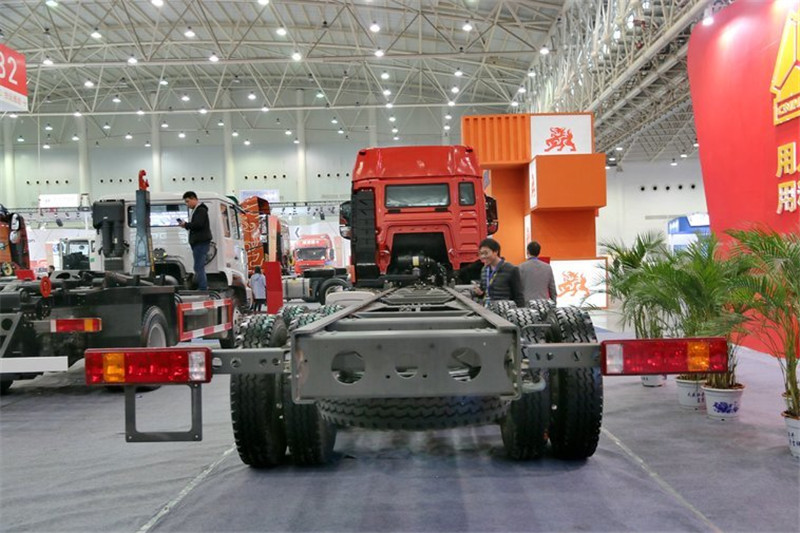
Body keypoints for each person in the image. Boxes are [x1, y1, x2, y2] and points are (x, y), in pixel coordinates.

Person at [472, 238, 524, 307]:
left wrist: (519, 311)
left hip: (505, 310)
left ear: (495, 252)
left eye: (486, 253)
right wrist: (480, 294)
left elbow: (519, 296)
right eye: (481, 253)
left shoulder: (511, 269)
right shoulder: (484, 270)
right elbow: (485, 292)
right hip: (487, 310)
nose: (483, 256)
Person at [178, 191, 212, 290]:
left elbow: (198, 224)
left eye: (187, 201)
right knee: (198, 266)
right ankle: (202, 286)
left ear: (194, 199)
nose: (187, 204)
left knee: (198, 266)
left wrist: (186, 225)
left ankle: (203, 287)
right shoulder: (197, 210)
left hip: (200, 242)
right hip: (199, 242)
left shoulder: (200, 210)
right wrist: (186, 225)